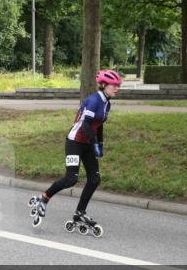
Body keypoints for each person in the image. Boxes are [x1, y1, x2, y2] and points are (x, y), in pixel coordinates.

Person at [28, 69, 123, 236]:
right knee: (71, 178)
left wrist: (99, 143)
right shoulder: (93, 100)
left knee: (94, 179)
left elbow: (99, 124)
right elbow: (86, 125)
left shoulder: (107, 102)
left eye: (118, 86)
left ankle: (80, 212)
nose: (117, 88)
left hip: (88, 144)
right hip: (75, 142)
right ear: (103, 85)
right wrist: (94, 143)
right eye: (114, 85)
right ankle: (43, 199)